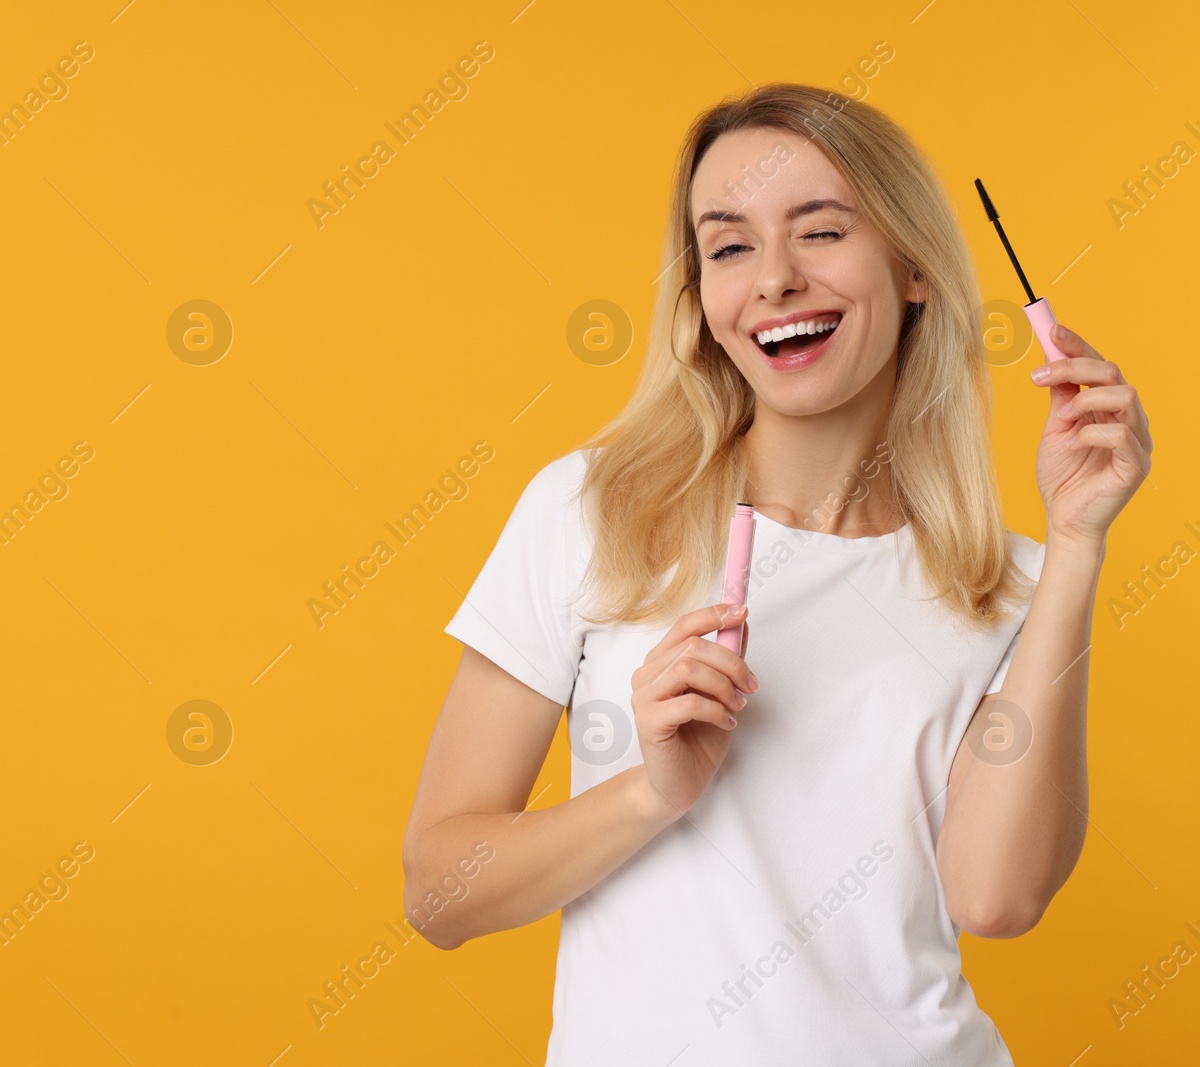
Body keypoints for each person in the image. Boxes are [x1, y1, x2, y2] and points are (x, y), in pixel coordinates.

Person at [402, 82, 1151, 1065]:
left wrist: (1079, 544)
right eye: (729, 245)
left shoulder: (1007, 585)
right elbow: (438, 894)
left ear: (913, 266)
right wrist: (652, 790)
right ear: (702, 298)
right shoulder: (593, 512)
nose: (775, 280)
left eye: (822, 231)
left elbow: (994, 897)